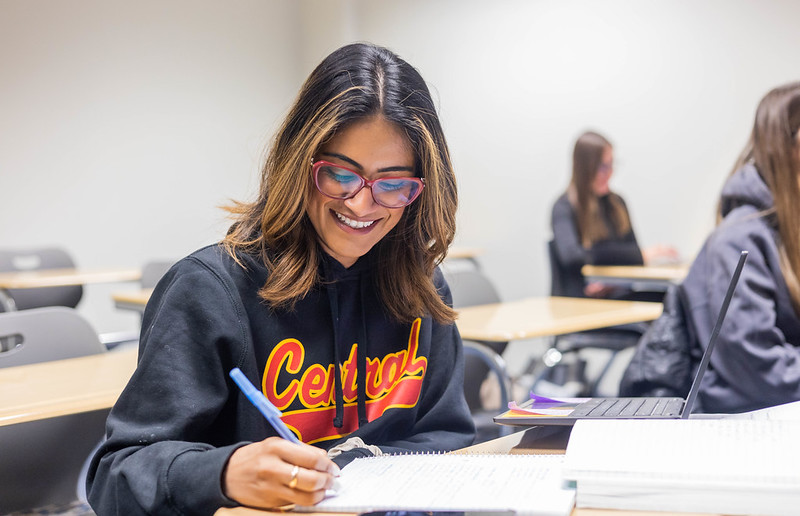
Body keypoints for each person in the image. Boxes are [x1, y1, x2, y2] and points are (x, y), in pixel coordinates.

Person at [86, 42, 475, 515]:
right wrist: (224, 473)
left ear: (422, 188)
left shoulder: (423, 290)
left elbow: (447, 439)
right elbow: (116, 476)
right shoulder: (208, 291)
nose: (360, 204)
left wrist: (360, 469)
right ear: (298, 163)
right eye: (338, 174)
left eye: (392, 184)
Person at [681, 81, 800, 413]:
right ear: (788, 148)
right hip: (739, 416)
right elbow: (759, 367)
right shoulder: (739, 238)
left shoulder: (790, 232)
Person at [550, 130, 678, 300]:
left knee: (672, 298)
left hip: (619, 293)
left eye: (611, 164)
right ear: (585, 169)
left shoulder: (616, 204)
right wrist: (640, 255)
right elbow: (573, 257)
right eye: (603, 166)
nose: (610, 172)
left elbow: (632, 250)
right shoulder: (564, 207)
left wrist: (612, 277)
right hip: (581, 300)